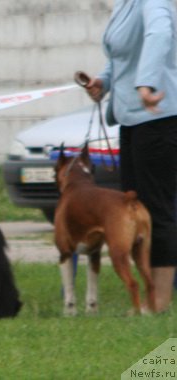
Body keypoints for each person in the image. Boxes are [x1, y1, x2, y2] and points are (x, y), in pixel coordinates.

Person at [84, 0, 177, 312]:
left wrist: (146, 81)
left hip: (159, 117)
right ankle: (147, 299)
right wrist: (104, 81)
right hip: (133, 120)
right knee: (136, 212)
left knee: (157, 209)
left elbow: (161, 35)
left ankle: (159, 302)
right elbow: (122, 58)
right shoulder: (125, 3)